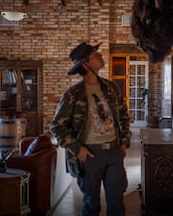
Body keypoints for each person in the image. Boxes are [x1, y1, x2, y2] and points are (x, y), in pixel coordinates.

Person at [50, 42, 132, 216]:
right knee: (91, 206)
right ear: (86, 64)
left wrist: (124, 143)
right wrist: (77, 149)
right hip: (89, 156)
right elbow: (57, 126)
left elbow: (124, 115)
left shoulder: (111, 88)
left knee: (117, 205)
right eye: (96, 55)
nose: (101, 56)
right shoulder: (73, 94)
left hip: (114, 153)